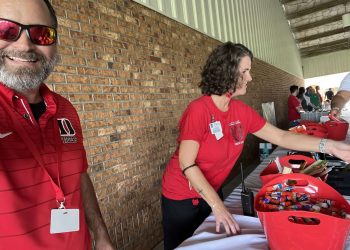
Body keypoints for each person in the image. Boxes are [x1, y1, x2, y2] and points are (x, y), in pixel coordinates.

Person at [161, 42, 350, 250]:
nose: (250, 78)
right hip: (181, 195)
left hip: (212, 190)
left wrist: (328, 146)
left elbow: (281, 137)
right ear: (227, 72)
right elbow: (186, 164)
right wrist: (217, 205)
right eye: (245, 71)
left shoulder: (240, 111)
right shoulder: (199, 110)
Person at [0, 1, 114, 249]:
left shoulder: (64, 109)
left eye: (42, 34)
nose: (25, 45)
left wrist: (101, 233)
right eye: (6, 30)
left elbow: (79, 176)